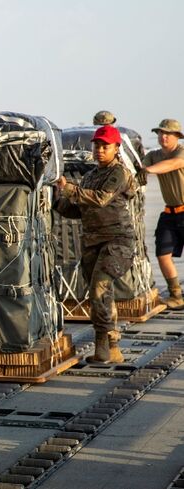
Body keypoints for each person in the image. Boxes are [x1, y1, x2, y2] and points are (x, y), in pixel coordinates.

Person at [55, 126, 137, 363]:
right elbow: (79, 211)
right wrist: (56, 201)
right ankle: (112, 345)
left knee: (99, 288)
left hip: (117, 241)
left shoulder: (118, 173)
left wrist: (69, 188)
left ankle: (103, 344)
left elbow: (101, 199)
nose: (100, 150)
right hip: (92, 242)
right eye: (97, 145)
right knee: (100, 294)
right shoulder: (91, 175)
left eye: (105, 146)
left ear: (116, 148)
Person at [136, 119, 184, 309]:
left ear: (177, 137)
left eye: (168, 134)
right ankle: (176, 295)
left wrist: (147, 170)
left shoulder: (180, 152)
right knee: (162, 253)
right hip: (169, 212)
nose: (163, 136)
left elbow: (173, 164)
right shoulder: (153, 155)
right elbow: (138, 167)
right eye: (160, 133)